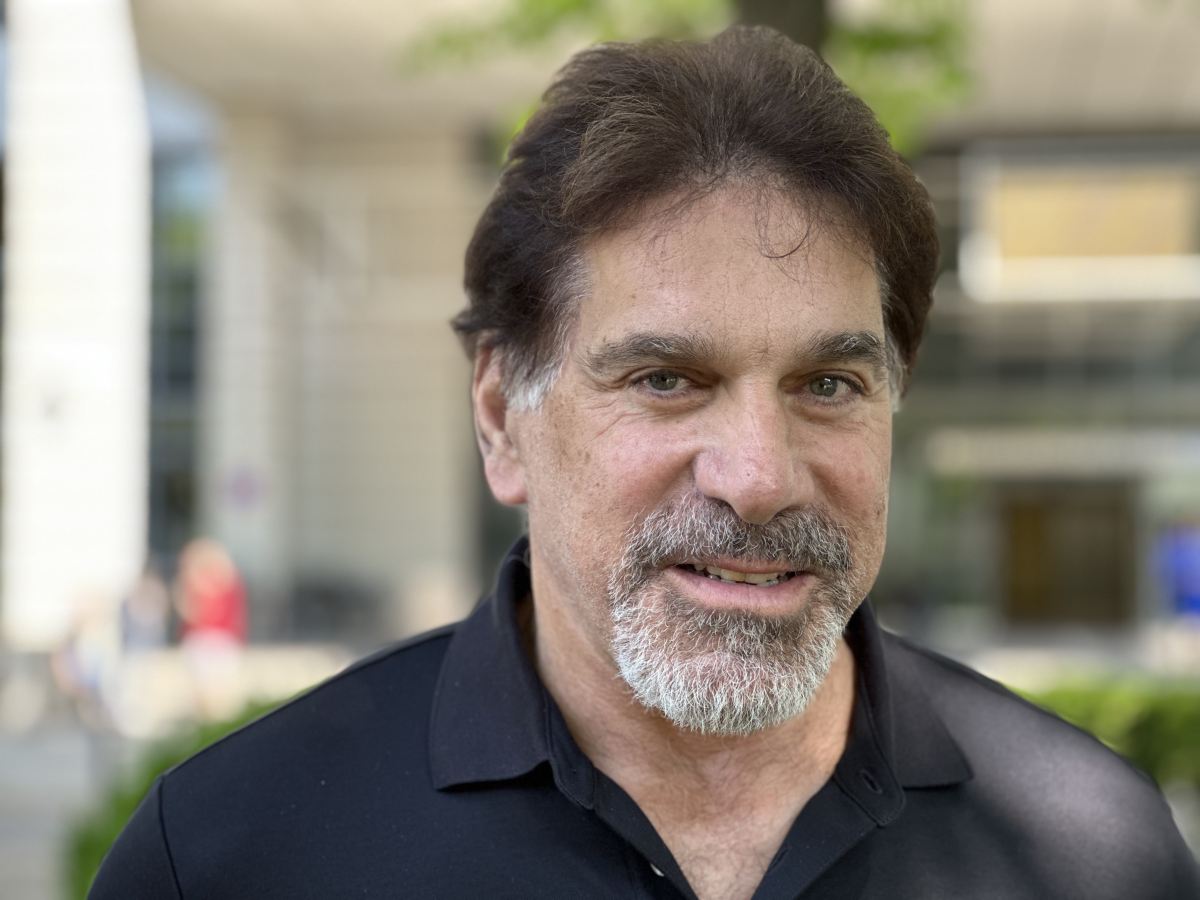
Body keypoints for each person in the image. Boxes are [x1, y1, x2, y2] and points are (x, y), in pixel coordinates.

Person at [90, 27, 1198, 899]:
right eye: (666, 379)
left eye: (827, 385)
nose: (757, 477)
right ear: (500, 417)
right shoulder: (232, 856)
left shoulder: (1095, 851)